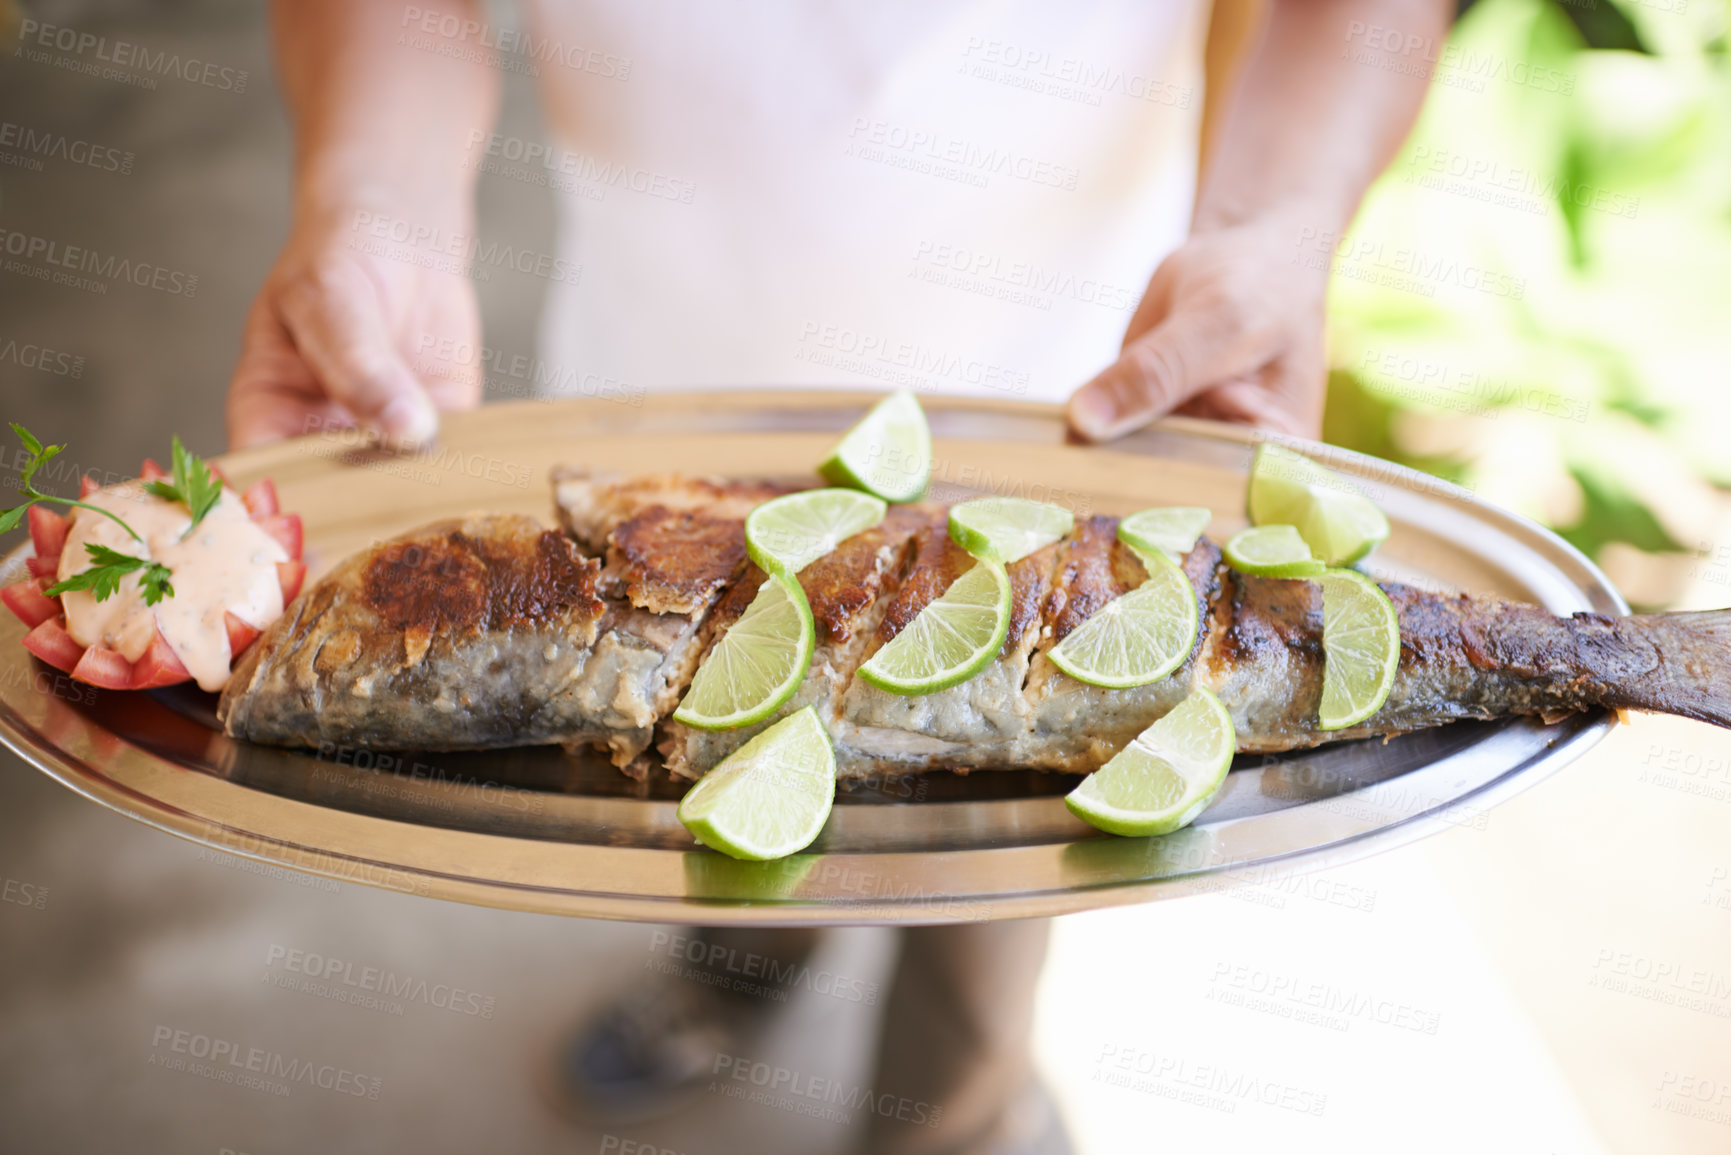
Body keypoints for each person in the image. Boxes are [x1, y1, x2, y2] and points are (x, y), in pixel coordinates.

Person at [226, 1, 1447, 1150]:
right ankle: (724, 989)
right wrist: (373, 205)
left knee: (1002, 887)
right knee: (717, 807)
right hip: (662, 445)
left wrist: (1277, 226)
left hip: (1065, 427)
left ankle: (957, 1114)